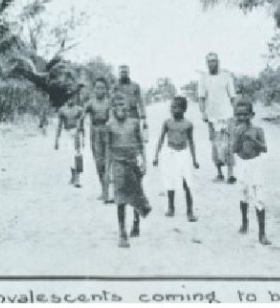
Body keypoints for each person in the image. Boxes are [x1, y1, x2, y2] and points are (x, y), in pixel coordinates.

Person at [106, 91, 150, 248]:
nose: (120, 108)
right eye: (116, 105)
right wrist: (107, 171)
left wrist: (143, 161)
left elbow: (140, 144)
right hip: (118, 164)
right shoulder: (109, 126)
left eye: (122, 105)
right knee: (120, 200)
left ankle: (136, 222)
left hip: (133, 163)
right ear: (113, 108)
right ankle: (122, 232)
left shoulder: (134, 123)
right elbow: (108, 149)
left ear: (128, 107)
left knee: (136, 194)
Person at [152, 95, 199, 222]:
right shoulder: (167, 123)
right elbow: (161, 139)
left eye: (177, 108)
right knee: (170, 180)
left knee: (186, 182)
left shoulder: (188, 124)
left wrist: (194, 159)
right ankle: (171, 207)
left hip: (183, 153)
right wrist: (156, 155)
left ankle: (190, 210)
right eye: (172, 107)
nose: (173, 110)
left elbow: (191, 141)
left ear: (184, 109)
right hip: (170, 153)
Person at [232, 97, 271, 245]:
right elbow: (234, 150)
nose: (242, 118)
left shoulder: (258, 130)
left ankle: (262, 233)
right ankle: (244, 222)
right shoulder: (236, 130)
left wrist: (253, 140)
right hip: (242, 163)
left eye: (245, 114)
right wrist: (240, 138)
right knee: (243, 193)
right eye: (239, 115)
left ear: (251, 115)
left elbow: (265, 149)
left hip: (255, 163)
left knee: (258, 196)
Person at [197, 51, 237, 183]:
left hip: (227, 115)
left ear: (218, 62)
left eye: (214, 61)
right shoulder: (203, 78)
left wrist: (235, 113)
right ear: (206, 63)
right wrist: (203, 113)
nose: (211, 64)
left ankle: (230, 174)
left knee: (229, 144)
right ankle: (219, 173)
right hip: (212, 117)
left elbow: (233, 97)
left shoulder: (226, 76)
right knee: (216, 145)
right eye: (209, 61)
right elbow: (201, 98)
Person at [84, 77, 114, 203]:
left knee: (108, 163)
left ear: (106, 90)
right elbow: (82, 116)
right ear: (94, 89)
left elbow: (112, 116)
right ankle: (103, 190)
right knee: (99, 163)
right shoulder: (91, 103)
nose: (99, 90)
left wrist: (110, 123)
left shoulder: (109, 103)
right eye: (97, 88)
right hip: (95, 133)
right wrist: (80, 129)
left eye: (102, 88)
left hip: (107, 133)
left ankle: (108, 193)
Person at [54, 93, 84, 188]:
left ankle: (77, 178)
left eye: (72, 97)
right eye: (68, 97)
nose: (70, 99)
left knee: (77, 155)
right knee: (69, 156)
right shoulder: (62, 110)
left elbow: (82, 126)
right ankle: (73, 175)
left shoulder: (79, 109)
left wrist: (83, 138)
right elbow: (59, 125)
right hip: (67, 133)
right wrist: (56, 140)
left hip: (76, 132)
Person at [113, 64, 148, 142]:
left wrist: (143, 115)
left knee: (136, 133)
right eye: (122, 72)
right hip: (120, 113)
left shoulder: (135, 86)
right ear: (119, 73)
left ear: (128, 73)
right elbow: (112, 100)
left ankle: (140, 151)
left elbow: (140, 100)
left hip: (133, 112)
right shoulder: (116, 86)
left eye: (125, 72)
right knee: (121, 134)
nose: (124, 74)